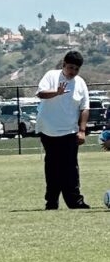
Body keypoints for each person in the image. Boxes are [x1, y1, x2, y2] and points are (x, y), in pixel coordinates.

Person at [36, 50, 90, 210]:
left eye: (76, 69)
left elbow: (85, 108)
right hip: (48, 130)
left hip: (69, 132)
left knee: (70, 167)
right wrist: (57, 93)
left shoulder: (80, 83)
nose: (73, 71)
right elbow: (41, 94)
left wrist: (82, 130)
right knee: (52, 166)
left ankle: (75, 201)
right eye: (70, 67)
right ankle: (52, 201)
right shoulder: (51, 76)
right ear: (64, 64)